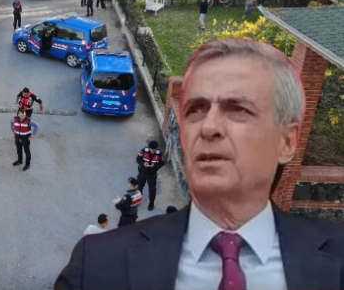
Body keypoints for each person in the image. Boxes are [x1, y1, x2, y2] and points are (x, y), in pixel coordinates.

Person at [55, 39, 344, 290]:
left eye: (238, 109)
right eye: (196, 109)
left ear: (286, 141)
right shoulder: (96, 265)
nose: (208, 127)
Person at [136, 140, 164, 211]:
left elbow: (162, 163)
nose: (152, 150)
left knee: (152, 189)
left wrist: (155, 166)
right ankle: (138, 200)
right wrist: (143, 163)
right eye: (151, 148)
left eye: (154, 149)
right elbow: (138, 159)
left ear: (156, 148)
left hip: (152, 174)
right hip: (142, 172)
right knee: (140, 187)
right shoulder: (143, 151)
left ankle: (151, 203)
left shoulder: (159, 153)